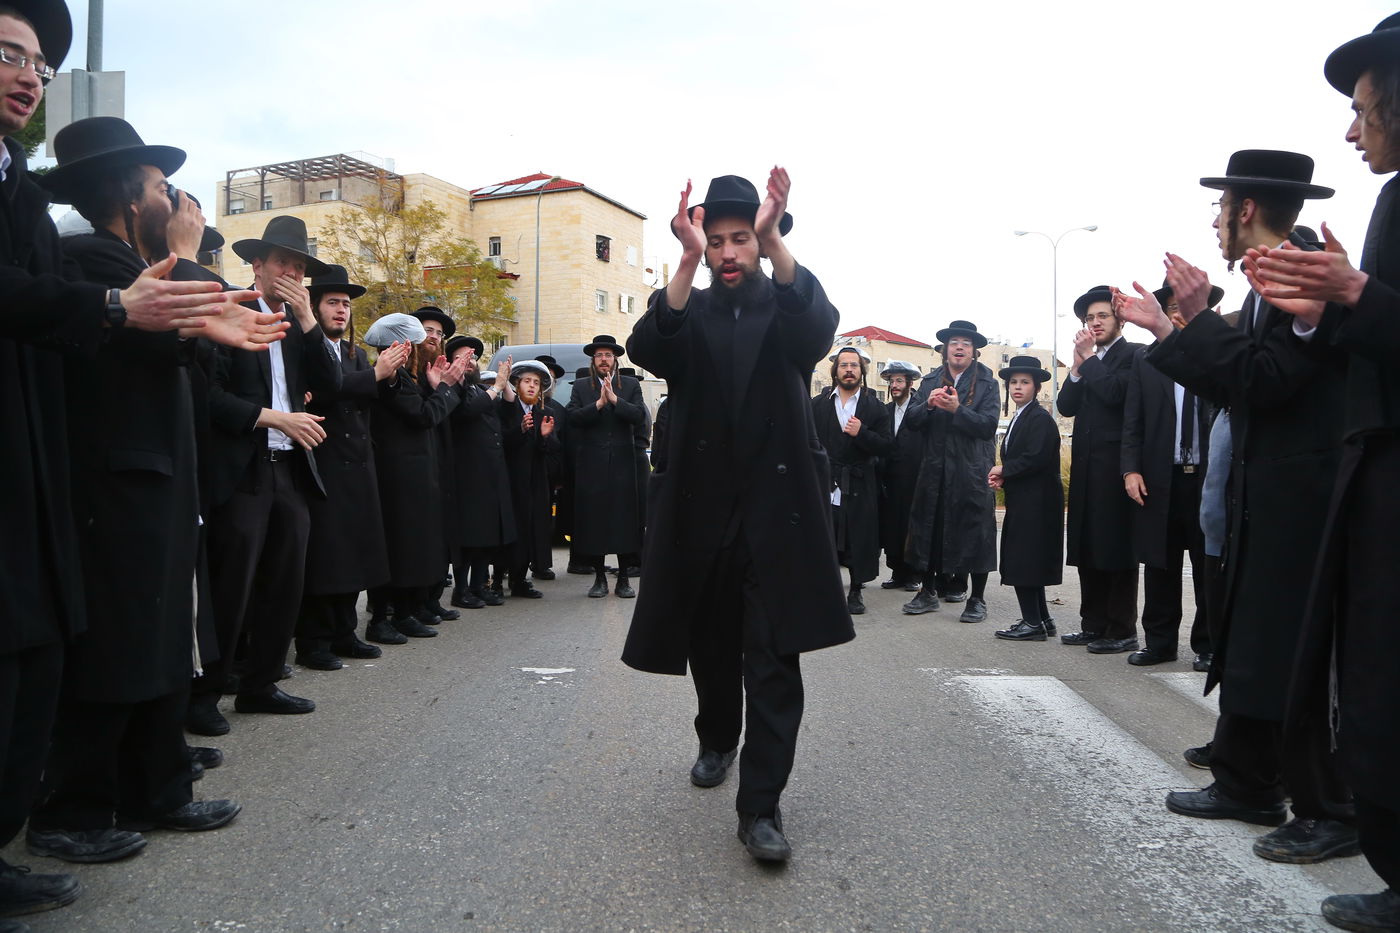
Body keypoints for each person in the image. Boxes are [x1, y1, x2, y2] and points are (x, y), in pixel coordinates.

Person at [0, 4, 264, 920]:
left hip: (159, 478)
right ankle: (73, 806)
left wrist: (203, 295)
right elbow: (147, 338)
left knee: (160, 637)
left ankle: (158, 783)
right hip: (110, 483)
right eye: (160, 184)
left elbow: (187, 348)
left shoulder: (131, 262)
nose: (174, 201)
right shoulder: (95, 266)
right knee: (114, 644)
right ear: (125, 191)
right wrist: (190, 268)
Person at [1117, 151, 1354, 863]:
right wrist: (1172, 333)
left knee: (1300, 653)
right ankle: (1247, 778)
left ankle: (1331, 806)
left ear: (1245, 209)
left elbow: (1272, 380)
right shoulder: (1262, 279)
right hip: (1263, 494)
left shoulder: (1300, 265)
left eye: (1220, 209)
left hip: (1303, 495)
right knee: (1253, 638)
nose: (1216, 224)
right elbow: (1241, 384)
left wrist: (1191, 320)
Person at [624, 169, 853, 862]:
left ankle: (761, 807)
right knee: (711, 645)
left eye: (738, 240)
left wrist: (773, 239)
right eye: (716, 240)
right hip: (701, 510)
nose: (728, 252)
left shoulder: (785, 309)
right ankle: (717, 735)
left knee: (775, 659)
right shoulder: (685, 308)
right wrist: (684, 262)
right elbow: (646, 348)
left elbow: (818, 327)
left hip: (777, 513)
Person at [1248, 16, 1400, 928]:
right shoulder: (1389, 203)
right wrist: (1335, 302)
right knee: (1374, 682)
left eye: (1362, 107)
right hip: (1374, 476)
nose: (1353, 130)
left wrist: (1349, 295)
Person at [189, 215, 343, 735]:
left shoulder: (302, 327)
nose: (291, 274)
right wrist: (271, 417)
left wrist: (308, 321)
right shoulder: (231, 311)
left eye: (299, 267)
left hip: (290, 470)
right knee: (231, 584)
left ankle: (261, 684)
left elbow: (332, 385)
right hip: (243, 467)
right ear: (257, 265)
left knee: (285, 582)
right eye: (282, 262)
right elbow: (207, 396)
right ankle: (206, 693)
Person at [294, 266, 407, 669]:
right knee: (327, 556)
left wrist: (388, 378)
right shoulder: (305, 346)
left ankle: (345, 632)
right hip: (323, 461)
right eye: (332, 303)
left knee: (355, 551)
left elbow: (367, 398)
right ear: (314, 307)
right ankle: (314, 641)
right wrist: (375, 375)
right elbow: (328, 390)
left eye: (345, 305)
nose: (341, 311)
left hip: (359, 461)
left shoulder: (354, 353)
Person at [1117, 278, 1221, 667]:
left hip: (1208, 477)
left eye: (1186, 305)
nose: (1178, 314)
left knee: (1209, 563)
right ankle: (1159, 643)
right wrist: (1130, 469)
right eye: (1171, 307)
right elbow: (1133, 420)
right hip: (1161, 477)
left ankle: (1209, 645)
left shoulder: (1217, 354)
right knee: (1159, 564)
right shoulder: (1146, 359)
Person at [364, 314, 469, 640]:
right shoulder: (390, 379)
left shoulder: (405, 379)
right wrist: (446, 388)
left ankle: (406, 611)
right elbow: (425, 416)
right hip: (396, 476)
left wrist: (438, 386)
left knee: (411, 546)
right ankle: (382, 617)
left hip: (413, 476)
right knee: (397, 547)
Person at [1056, 287, 1142, 653]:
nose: (1094, 323)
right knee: (1088, 546)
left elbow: (1115, 394)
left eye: (1102, 316)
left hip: (1118, 468)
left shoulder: (1134, 355)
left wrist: (1089, 360)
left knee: (1116, 548)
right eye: (1089, 318)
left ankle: (1121, 628)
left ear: (1120, 319)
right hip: (1087, 468)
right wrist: (1076, 368)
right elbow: (1065, 406)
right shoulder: (1087, 360)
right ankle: (1092, 624)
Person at [901, 321, 999, 623]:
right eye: (954, 342)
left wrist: (958, 410)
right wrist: (928, 406)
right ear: (945, 350)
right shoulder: (930, 380)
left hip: (972, 468)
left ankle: (977, 598)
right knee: (929, 528)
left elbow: (988, 425)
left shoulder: (987, 382)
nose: (959, 347)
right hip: (935, 467)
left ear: (974, 351)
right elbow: (911, 421)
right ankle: (928, 591)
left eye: (966, 343)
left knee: (976, 530)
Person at [812, 346, 892, 614]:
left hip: (860, 480)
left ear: (862, 371)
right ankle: (828, 589)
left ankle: (856, 590)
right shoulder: (819, 404)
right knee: (826, 534)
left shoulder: (875, 407)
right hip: (827, 479)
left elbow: (887, 446)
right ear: (835, 371)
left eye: (854, 365)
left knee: (859, 534)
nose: (849, 369)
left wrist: (863, 433)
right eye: (844, 365)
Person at [989, 356, 1063, 641]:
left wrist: (1004, 469)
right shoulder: (1021, 416)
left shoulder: (1039, 418)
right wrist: (1005, 475)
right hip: (1026, 499)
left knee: (1025, 559)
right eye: (1013, 382)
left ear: (1036, 386)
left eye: (1025, 382)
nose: (1017, 387)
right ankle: (1041, 619)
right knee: (1028, 559)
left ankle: (1032, 623)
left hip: (1038, 503)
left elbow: (1036, 457)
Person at [566, 335, 646, 599]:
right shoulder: (580, 386)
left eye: (608, 355)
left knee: (624, 522)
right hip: (592, 465)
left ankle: (624, 578)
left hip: (624, 465)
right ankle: (599, 577)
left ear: (615, 360)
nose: (604, 359)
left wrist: (614, 400)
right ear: (593, 360)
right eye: (599, 355)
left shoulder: (631, 384)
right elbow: (572, 418)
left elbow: (638, 416)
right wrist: (598, 404)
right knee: (595, 522)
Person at [445, 336, 515, 608]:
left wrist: (505, 380)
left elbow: (508, 408)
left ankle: (479, 586)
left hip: (492, 473)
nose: (470, 362)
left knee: (486, 535)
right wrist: (496, 387)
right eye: (463, 357)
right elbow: (466, 413)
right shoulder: (452, 389)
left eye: (473, 358)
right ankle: (460, 590)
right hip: (467, 475)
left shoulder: (477, 389)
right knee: (468, 537)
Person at [501, 361, 562, 597]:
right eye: (527, 381)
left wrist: (544, 436)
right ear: (517, 385)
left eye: (536, 383)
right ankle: (497, 580)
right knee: (509, 528)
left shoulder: (545, 413)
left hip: (535, 480)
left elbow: (552, 448)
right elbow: (502, 441)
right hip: (510, 479)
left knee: (530, 529)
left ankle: (519, 579)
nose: (531, 386)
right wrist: (521, 430)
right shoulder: (507, 408)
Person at [877, 361, 924, 592]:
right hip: (892, 478)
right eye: (891, 381)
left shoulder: (920, 408)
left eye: (899, 381)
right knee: (892, 525)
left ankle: (914, 574)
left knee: (912, 525)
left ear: (909, 383)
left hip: (915, 477)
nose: (894, 386)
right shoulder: (886, 410)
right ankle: (897, 571)